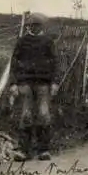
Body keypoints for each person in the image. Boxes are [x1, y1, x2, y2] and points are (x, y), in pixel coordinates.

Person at [9, 12, 60, 161]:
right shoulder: (22, 41)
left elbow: (55, 63)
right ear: (28, 26)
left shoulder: (48, 42)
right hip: (25, 83)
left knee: (44, 114)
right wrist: (13, 83)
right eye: (32, 25)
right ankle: (24, 151)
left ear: (41, 26)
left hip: (43, 83)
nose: (35, 28)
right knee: (26, 115)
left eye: (37, 25)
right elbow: (14, 63)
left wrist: (55, 82)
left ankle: (43, 150)